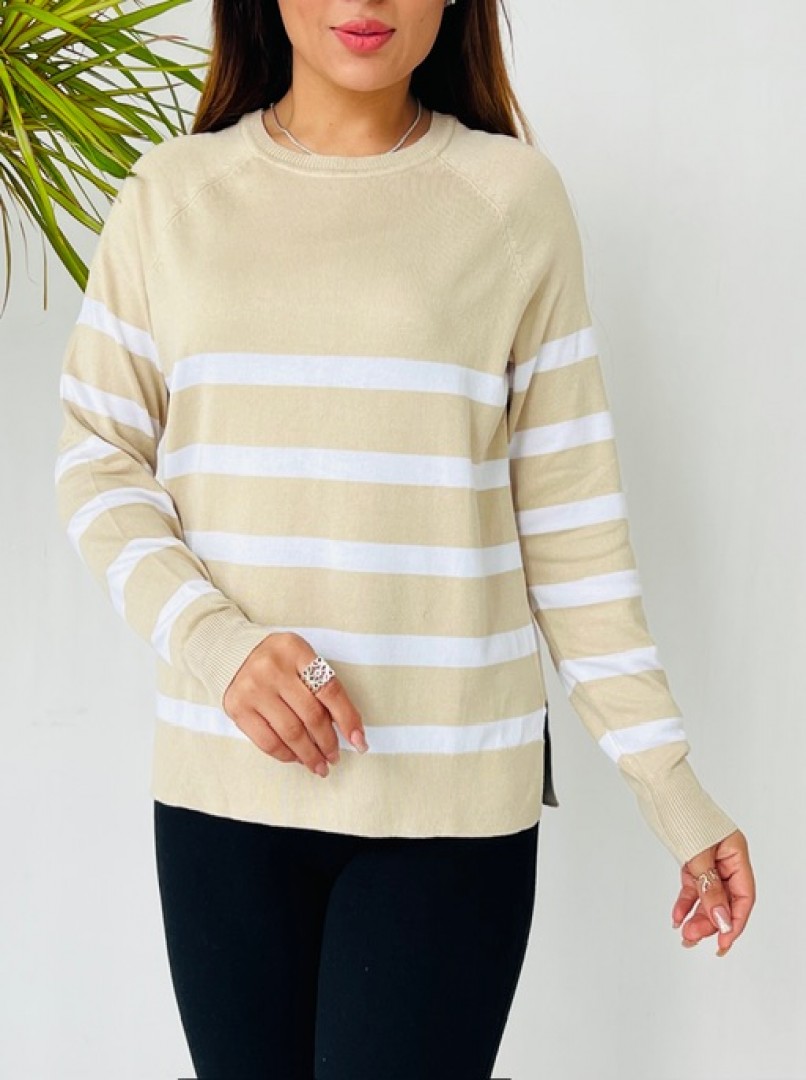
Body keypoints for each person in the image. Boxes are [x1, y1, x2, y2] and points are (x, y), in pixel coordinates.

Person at [53, 1, 756, 1077]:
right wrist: (217, 644)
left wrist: (672, 787)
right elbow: (98, 460)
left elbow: (569, 528)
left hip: (449, 811)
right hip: (222, 799)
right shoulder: (171, 196)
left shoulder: (511, 202)